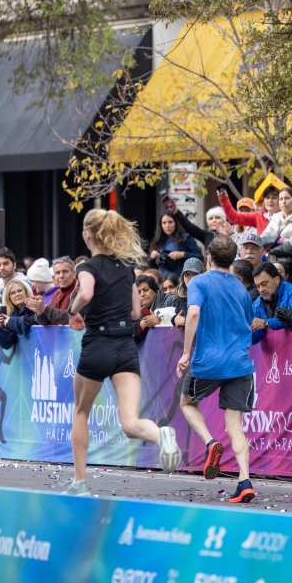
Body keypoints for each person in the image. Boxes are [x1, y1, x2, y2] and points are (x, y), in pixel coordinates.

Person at [63, 209, 181, 496]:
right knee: (130, 423)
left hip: (97, 345)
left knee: (81, 412)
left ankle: (79, 482)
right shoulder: (126, 268)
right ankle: (161, 434)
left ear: (88, 234)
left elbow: (87, 293)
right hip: (125, 347)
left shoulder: (88, 267)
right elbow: (132, 310)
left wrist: (73, 310)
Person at [175, 235, 256, 502]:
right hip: (239, 363)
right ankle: (244, 480)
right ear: (233, 259)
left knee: (187, 403)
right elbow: (248, 322)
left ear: (208, 256)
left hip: (208, 362)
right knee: (236, 426)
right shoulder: (241, 289)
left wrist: (186, 352)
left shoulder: (198, 281)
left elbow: (194, 313)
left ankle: (211, 443)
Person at [261, 187, 292, 284]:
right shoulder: (276, 217)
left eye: (287, 198)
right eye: (281, 199)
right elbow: (261, 240)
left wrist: (271, 250)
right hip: (273, 266)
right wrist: (279, 240)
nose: (284, 202)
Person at [251, 261, 292, 343]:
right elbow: (257, 335)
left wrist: (266, 323)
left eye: (264, 284)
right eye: (258, 286)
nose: (261, 289)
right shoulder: (257, 303)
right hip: (277, 353)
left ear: (277, 279)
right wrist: (247, 332)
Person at [165, 194, 235, 251]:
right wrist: (175, 210)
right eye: (211, 218)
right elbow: (188, 226)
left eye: (217, 217)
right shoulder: (206, 236)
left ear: (223, 220)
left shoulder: (232, 233)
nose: (214, 220)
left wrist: (228, 236)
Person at [148, 211, 203, 280]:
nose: (167, 226)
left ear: (176, 223)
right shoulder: (157, 240)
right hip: (163, 281)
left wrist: (183, 254)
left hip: (180, 280)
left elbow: (199, 257)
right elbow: (151, 265)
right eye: (164, 223)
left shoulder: (186, 238)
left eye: (170, 222)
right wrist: (152, 257)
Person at [0, 248, 32, 317]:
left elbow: (28, 313)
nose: (2, 267)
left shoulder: (23, 283)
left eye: (6, 264)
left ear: (14, 265)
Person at [0, 279, 37, 349]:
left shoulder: (36, 306)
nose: (17, 294)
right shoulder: (11, 314)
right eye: (13, 293)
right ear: (9, 297)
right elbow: (7, 344)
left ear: (26, 292)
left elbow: (33, 320)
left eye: (20, 290)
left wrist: (11, 322)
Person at [133, 274, 179, 341]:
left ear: (155, 290)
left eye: (146, 290)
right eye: (139, 292)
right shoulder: (135, 310)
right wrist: (141, 325)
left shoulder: (172, 300)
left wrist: (160, 322)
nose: (142, 294)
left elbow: (181, 325)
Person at [174, 258, 204, 328]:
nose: (191, 278)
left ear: (203, 275)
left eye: (195, 274)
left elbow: (210, 322)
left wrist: (185, 321)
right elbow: (177, 317)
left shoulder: (208, 295)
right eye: (187, 274)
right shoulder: (180, 296)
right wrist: (175, 319)